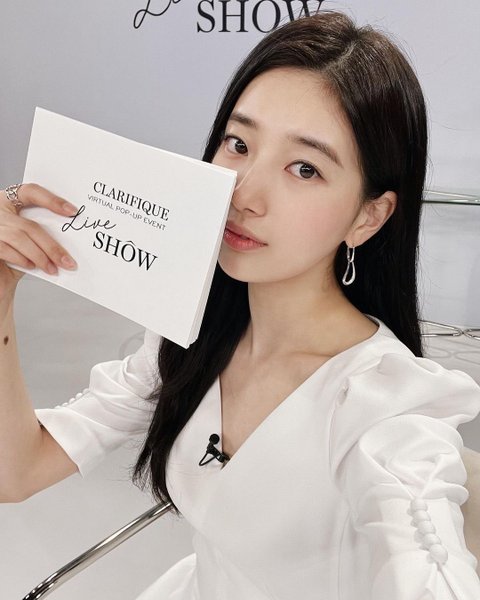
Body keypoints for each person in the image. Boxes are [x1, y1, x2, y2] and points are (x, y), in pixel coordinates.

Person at [1, 10, 480, 600]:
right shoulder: (192, 337)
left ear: (369, 215)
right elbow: (15, 471)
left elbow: (426, 559)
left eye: (305, 168)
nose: (244, 194)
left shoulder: (383, 407)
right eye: (238, 143)